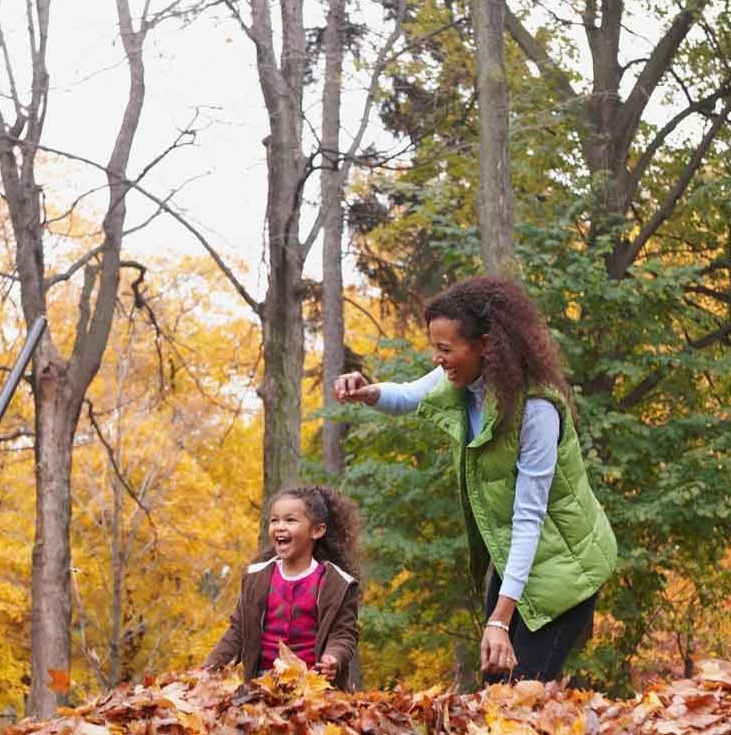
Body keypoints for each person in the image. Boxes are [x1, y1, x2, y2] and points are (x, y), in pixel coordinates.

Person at [333, 274, 616, 683]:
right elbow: (409, 395)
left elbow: (528, 516)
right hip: (517, 557)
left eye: (445, 348)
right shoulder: (467, 379)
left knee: (521, 696)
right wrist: (366, 391)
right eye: (435, 347)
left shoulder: (536, 410)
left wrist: (500, 620)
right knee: (495, 689)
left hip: (566, 569)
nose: (437, 358)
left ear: (485, 345)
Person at [203, 485, 361, 690]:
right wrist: (207, 670)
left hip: (312, 685)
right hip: (263, 684)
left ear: (317, 530)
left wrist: (334, 657)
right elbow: (237, 632)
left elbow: (344, 633)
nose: (279, 526)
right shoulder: (257, 578)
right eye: (274, 520)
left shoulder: (335, 583)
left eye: (290, 520)